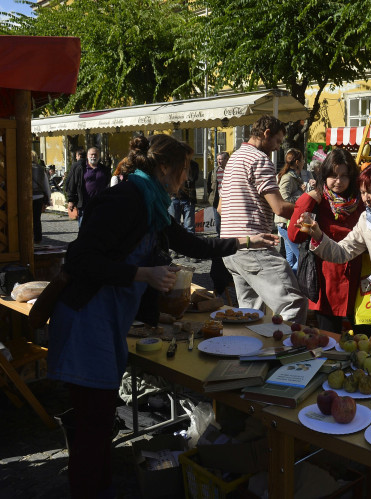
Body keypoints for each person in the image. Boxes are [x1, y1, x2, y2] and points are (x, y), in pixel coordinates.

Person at [45, 134, 275, 499]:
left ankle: (97, 487)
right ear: (165, 167)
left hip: (107, 323)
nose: (187, 180)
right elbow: (80, 260)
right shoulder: (124, 199)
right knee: (93, 428)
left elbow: (191, 243)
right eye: (185, 171)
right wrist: (143, 275)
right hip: (84, 322)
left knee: (100, 421)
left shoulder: (150, 203)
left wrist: (247, 241)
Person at [220, 115, 308, 323]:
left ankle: (251, 353)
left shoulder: (234, 158)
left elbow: (221, 208)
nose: (277, 148)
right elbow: (279, 207)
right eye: (277, 141)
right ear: (266, 133)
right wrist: (308, 208)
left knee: (251, 313)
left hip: (231, 247)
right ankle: (288, 353)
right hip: (254, 246)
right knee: (293, 303)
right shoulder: (260, 160)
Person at [296, 162, 371, 341]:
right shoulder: (366, 219)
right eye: (363, 193)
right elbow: (342, 251)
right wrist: (317, 233)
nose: (366, 199)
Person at [288, 149, 364, 334]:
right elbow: (294, 236)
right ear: (325, 175)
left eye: (344, 176)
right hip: (326, 279)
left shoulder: (360, 200)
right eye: (333, 175)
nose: (338, 181)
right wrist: (308, 198)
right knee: (330, 337)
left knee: (362, 339)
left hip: (358, 278)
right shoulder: (318, 200)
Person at [275, 148, 306, 273]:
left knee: (291, 258)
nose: (304, 162)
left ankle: (290, 285)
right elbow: (284, 198)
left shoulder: (294, 176)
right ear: (297, 162)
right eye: (303, 160)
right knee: (301, 256)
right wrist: (302, 196)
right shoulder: (288, 177)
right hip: (285, 223)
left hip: (288, 222)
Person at [66, 147, 110, 226]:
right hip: (84, 204)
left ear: (99, 156)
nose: (93, 156)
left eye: (95, 155)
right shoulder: (81, 168)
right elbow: (73, 184)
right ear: (87, 156)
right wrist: (71, 200)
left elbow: (107, 184)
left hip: (99, 204)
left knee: (98, 228)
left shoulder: (104, 169)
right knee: (83, 228)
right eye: (91, 154)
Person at [168, 159, 200, 235]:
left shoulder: (193, 165)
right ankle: (174, 244)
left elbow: (192, 178)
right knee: (174, 224)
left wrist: (186, 167)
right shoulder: (173, 164)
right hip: (174, 197)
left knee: (189, 226)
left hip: (188, 198)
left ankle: (190, 245)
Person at [31, 151, 52, 244]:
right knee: (36, 219)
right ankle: (37, 239)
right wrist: (48, 198)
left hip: (25, 197)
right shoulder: (40, 169)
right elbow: (46, 185)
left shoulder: (21, 167)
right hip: (38, 196)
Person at [207, 151, 229, 234]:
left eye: (221, 159)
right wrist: (210, 197)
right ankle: (219, 239)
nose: (219, 161)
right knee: (217, 223)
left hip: (228, 201)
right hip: (216, 201)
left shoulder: (231, 171)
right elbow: (209, 186)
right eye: (218, 159)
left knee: (227, 223)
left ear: (227, 159)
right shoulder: (214, 172)